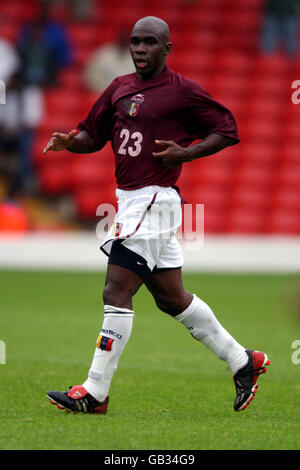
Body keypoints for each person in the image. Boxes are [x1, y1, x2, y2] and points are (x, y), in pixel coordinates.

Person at [44, 16, 270, 414]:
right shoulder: (119, 88)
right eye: (135, 42)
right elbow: (92, 137)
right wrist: (69, 142)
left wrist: (187, 152)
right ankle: (243, 361)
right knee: (171, 299)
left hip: (154, 200)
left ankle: (95, 392)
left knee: (116, 290)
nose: (140, 49)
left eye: (150, 43)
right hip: (131, 201)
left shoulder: (181, 91)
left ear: (167, 48)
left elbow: (227, 127)